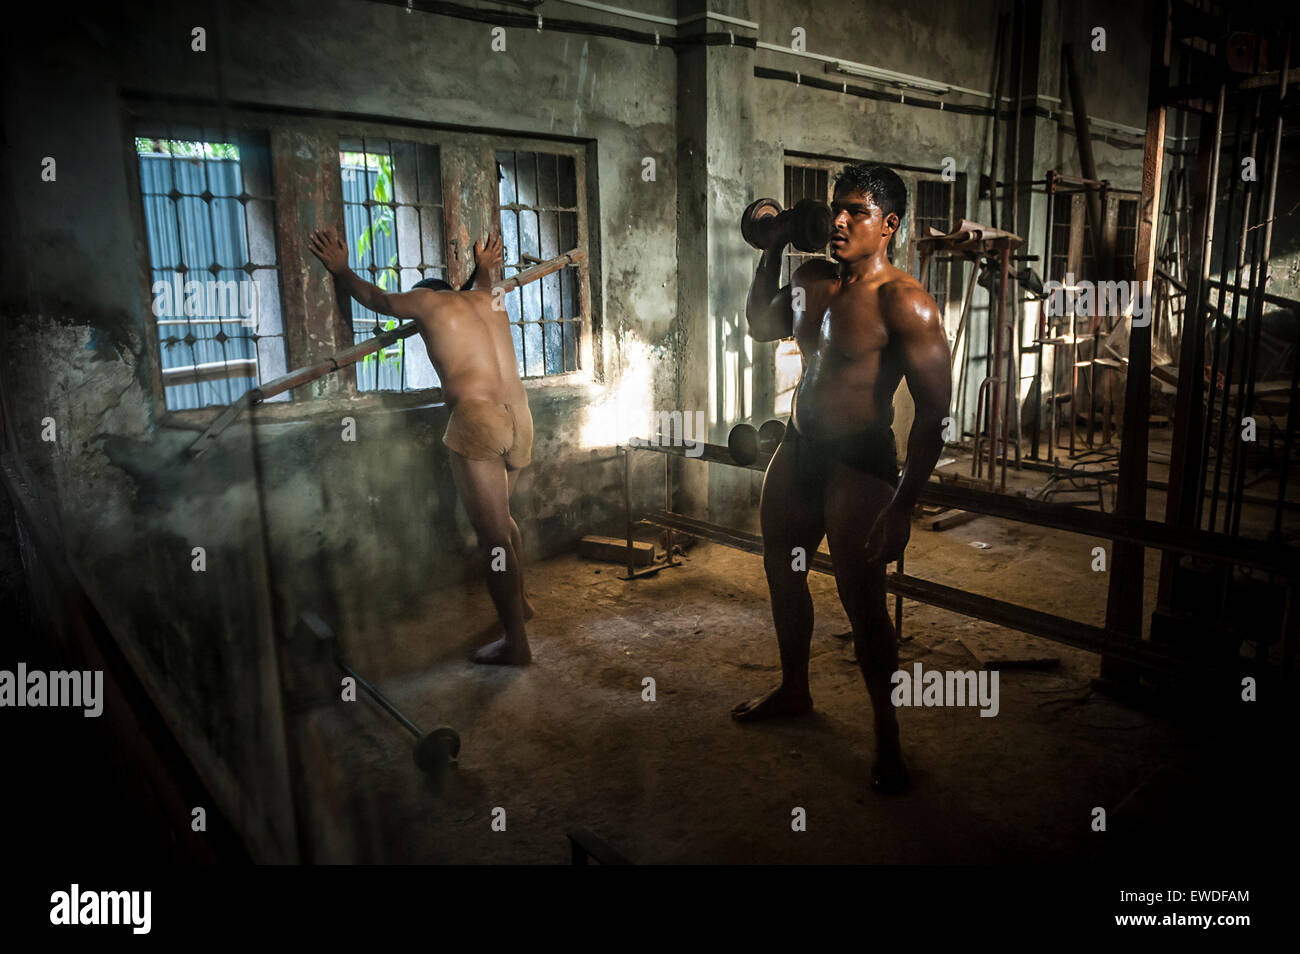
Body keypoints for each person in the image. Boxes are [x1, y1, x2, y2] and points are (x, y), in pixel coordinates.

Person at [732, 163, 952, 793]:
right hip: (800, 448)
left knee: (862, 603)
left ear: (889, 226)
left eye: (856, 210)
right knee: (784, 570)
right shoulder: (810, 279)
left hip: (861, 460)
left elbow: (935, 416)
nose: (838, 220)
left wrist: (905, 503)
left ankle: (888, 738)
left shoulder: (905, 303)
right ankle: (795, 689)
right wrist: (772, 245)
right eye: (836, 208)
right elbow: (759, 324)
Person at [308, 226, 535, 665]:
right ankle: (520, 605)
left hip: (479, 420)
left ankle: (516, 643)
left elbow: (377, 300)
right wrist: (483, 267)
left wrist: (341, 270)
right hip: (520, 416)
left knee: (493, 540)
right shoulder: (488, 297)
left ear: (427, 294)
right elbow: (485, 279)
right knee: (505, 521)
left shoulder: (427, 302)